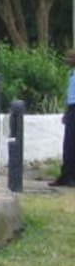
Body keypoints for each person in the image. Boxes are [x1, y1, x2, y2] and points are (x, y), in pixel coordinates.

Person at [49, 49, 75, 187]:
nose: (67, 60)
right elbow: (69, 95)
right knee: (68, 144)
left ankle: (70, 177)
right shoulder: (71, 74)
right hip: (72, 109)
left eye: (70, 58)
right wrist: (66, 113)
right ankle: (66, 175)